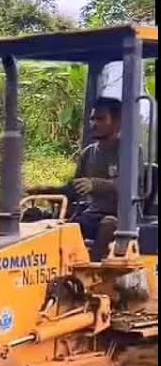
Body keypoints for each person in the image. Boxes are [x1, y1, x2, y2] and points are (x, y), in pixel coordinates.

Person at [69, 96, 123, 259]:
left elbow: (131, 186)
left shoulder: (129, 150)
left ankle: (95, 269)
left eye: (100, 119)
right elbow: (74, 187)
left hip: (122, 217)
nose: (94, 123)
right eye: (92, 119)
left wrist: (95, 184)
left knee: (108, 224)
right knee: (63, 227)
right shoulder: (89, 153)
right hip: (92, 214)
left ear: (116, 122)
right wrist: (46, 190)